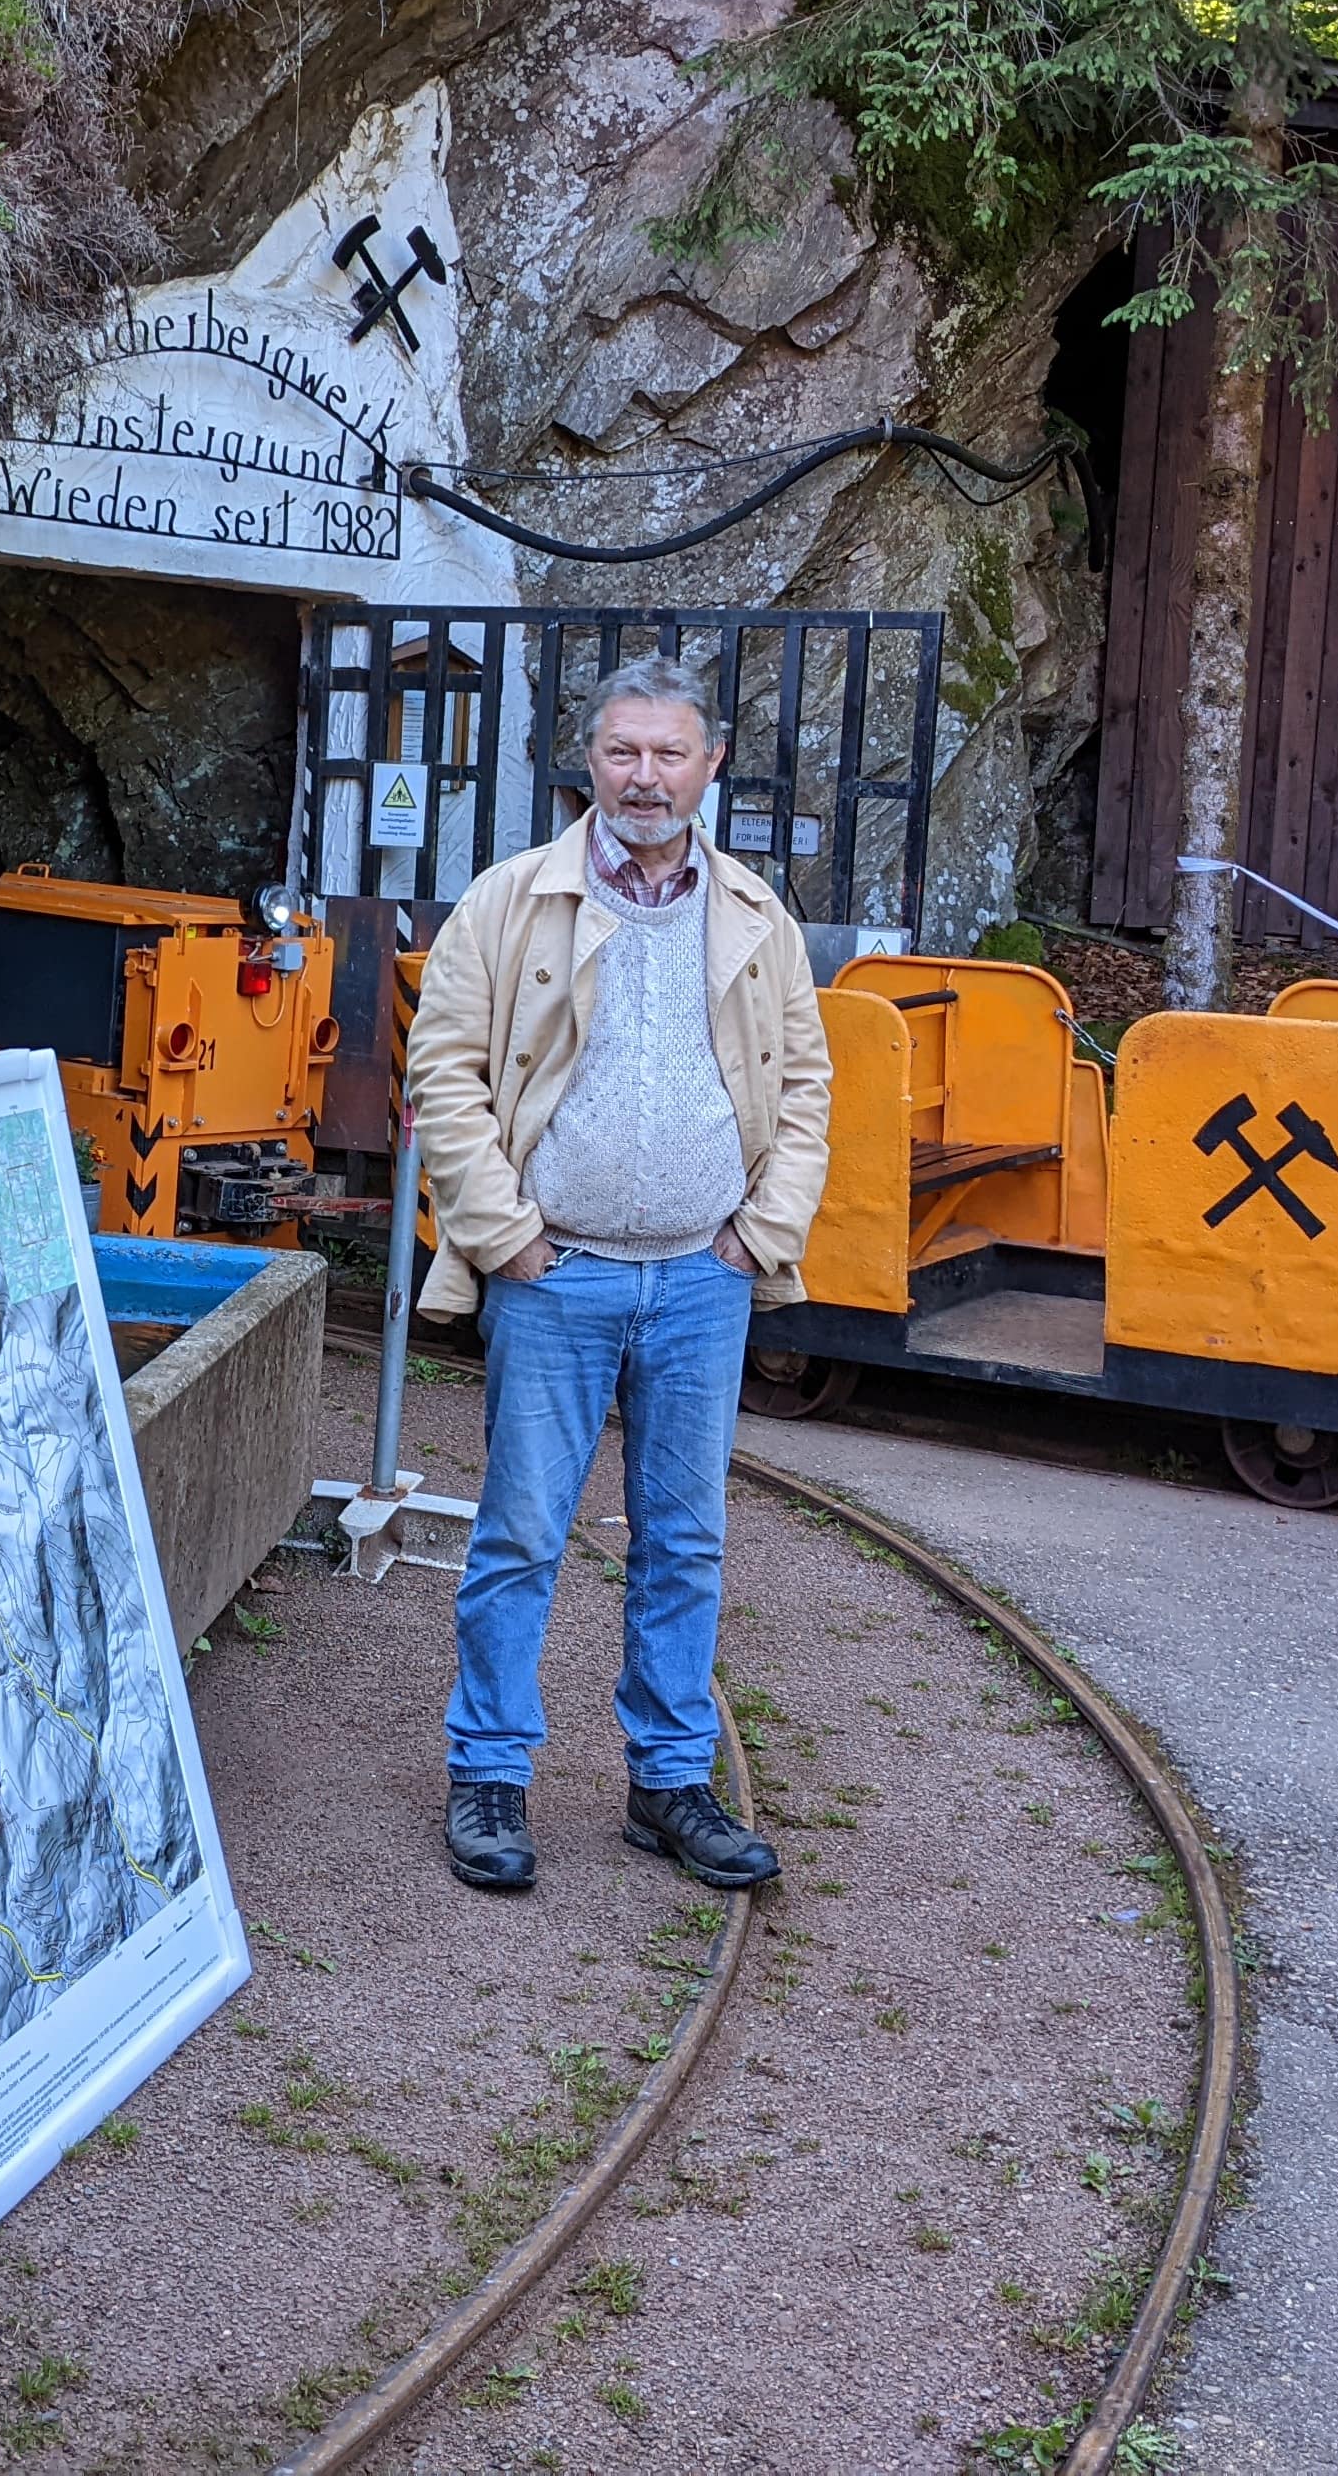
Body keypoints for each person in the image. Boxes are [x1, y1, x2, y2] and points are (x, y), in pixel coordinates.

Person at [399, 654, 834, 1895]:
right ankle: (489, 1776)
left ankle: (668, 1784)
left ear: (710, 766)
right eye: (624, 752)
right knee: (523, 1535)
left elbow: (806, 1088)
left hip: (703, 1280)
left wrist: (760, 1234)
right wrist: (506, 1239)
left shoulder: (757, 915)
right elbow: (446, 1078)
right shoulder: (509, 900)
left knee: (685, 1542)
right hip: (560, 1275)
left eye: (670, 753)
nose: (646, 776)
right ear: (589, 761)